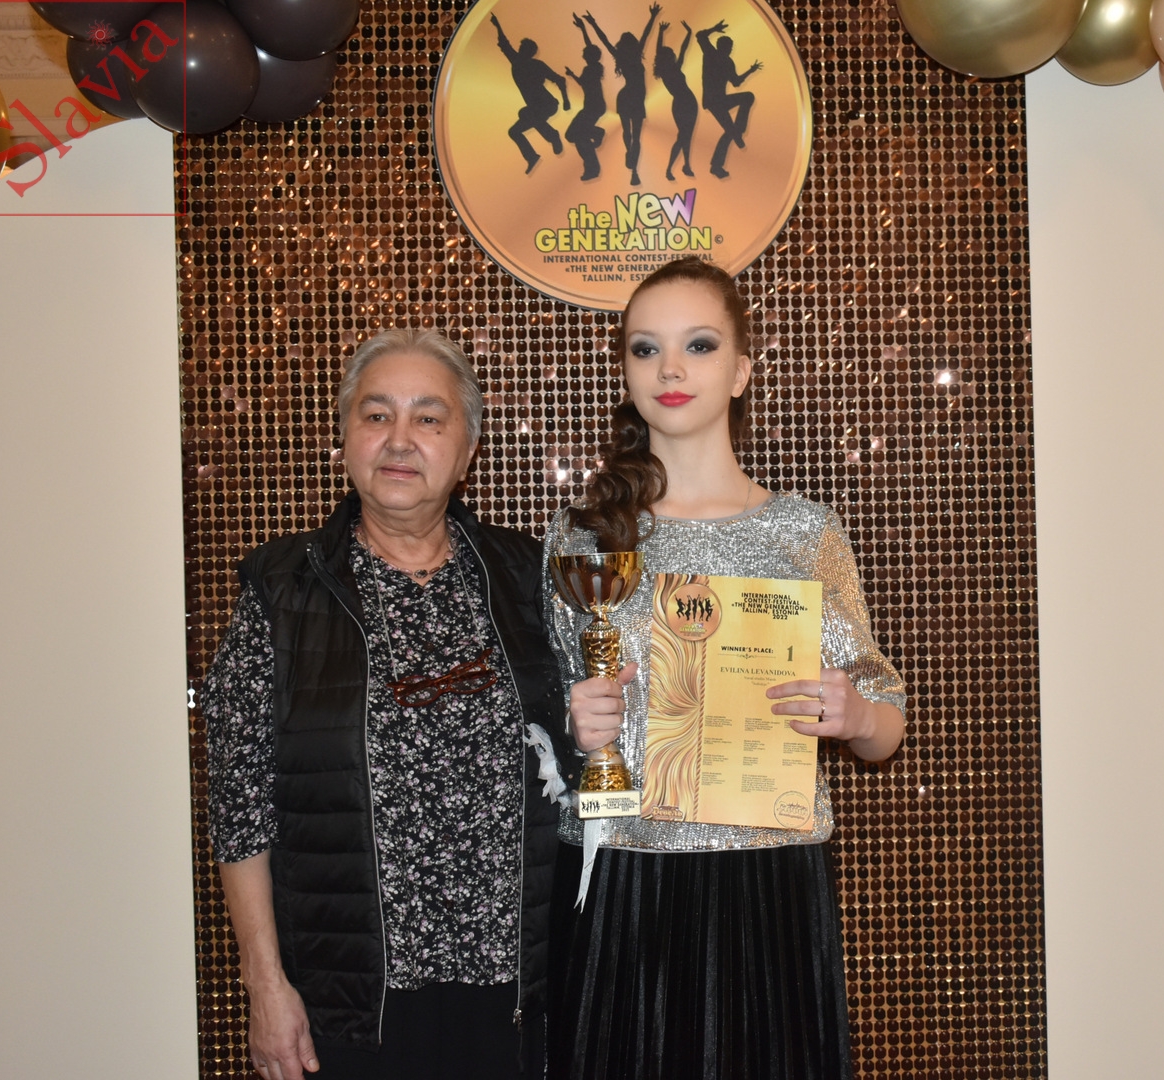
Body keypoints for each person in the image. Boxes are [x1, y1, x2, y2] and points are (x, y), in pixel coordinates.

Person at [543, 258, 907, 1079]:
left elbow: (885, 721)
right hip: (621, 877)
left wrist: (854, 716)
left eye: (698, 345)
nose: (669, 369)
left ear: (741, 370)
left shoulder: (804, 532)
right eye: (645, 349)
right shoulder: (582, 537)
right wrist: (579, 723)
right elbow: (561, 715)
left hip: (766, 886)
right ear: (625, 372)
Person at [203, 329, 576, 1080]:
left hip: (514, 995)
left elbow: (590, 756)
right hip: (350, 1005)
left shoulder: (529, 578)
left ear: (467, 452)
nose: (399, 439)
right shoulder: (280, 591)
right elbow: (239, 809)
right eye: (376, 415)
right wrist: (264, 984)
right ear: (344, 440)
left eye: (428, 418)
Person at [583, 4, 660, 187]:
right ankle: (634, 172)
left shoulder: (621, 55)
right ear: (632, 43)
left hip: (626, 97)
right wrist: (653, 17)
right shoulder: (635, 54)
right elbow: (646, 34)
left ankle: (632, 165)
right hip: (635, 98)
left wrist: (593, 24)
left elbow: (605, 40)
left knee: (629, 133)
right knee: (636, 136)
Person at [491, 14, 570, 174]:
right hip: (535, 109)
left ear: (530, 53)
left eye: (523, 49)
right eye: (520, 48)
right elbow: (504, 44)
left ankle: (553, 136)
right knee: (515, 130)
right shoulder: (516, 61)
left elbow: (559, 80)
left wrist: (565, 100)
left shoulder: (537, 65)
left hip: (548, 105)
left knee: (527, 113)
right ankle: (532, 156)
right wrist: (497, 25)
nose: (520, 50)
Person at [695, 22, 762, 179]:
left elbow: (736, 82)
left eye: (730, 48)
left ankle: (737, 131)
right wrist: (714, 29)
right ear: (721, 47)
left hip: (721, 100)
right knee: (730, 131)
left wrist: (750, 71)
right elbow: (700, 36)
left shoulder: (728, 62)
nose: (730, 50)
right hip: (713, 101)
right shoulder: (710, 53)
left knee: (747, 98)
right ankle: (718, 163)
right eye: (728, 47)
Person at [563, 14, 609, 182]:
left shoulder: (592, 69)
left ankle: (592, 166)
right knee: (574, 135)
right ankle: (595, 135)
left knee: (574, 135)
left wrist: (583, 28)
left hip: (593, 107)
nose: (582, 55)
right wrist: (582, 28)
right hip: (592, 107)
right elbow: (589, 46)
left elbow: (589, 47)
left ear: (589, 56)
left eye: (584, 54)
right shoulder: (594, 67)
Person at [653, 21, 698, 182]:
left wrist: (662, 32)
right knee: (683, 137)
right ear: (668, 58)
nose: (674, 55)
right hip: (685, 103)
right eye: (671, 54)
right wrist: (687, 33)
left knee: (685, 136)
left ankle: (686, 165)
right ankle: (672, 168)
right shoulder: (672, 69)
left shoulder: (666, 71)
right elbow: (680, 50)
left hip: (683, 103)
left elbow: (679, 50)